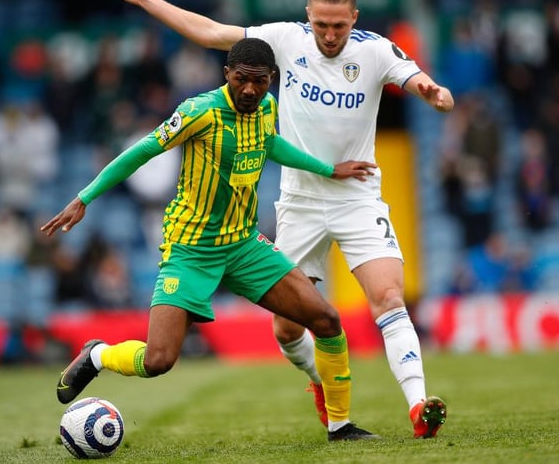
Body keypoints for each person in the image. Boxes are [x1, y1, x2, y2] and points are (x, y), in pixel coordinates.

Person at [102, 0, 454, 438]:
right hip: (300, 203)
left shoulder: (375, 50)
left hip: (356, 196)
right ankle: (319, 383)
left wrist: (430, 90)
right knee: (288, 330)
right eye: (321, 25)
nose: (329, 35)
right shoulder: (287, 39)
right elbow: (210, 33)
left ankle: (418, 406)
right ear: (309, 20)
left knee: (389, 296)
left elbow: (414, 77)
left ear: (354, 19)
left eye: (338, 26)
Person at [42, 38, 380, 442]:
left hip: (244, 246)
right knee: (159, 359)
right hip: (191, 249)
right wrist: (85, 197)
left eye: (259, 82)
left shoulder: (267, 108)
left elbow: (270, 145)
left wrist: (328, 169)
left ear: (271, 79)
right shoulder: (198, 111)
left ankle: (340, 426)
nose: (251, 90)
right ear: (227, 76)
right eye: (242, 80)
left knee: (326, 319)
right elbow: (142, 152)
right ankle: (97, 355)